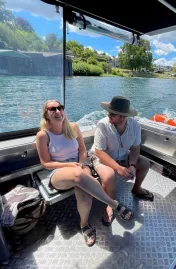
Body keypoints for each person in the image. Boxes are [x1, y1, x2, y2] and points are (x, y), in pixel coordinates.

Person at [36, 100, 134, 247]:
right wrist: (70, 165)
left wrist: (82, 163)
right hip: (59, 170)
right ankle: (114, 204)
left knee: (86, 198)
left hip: (81, 165)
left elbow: (83, 150)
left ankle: (84, 225)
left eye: (60, 107)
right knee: (77, 174)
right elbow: (46, 163)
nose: (58, 111)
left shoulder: (73, 127)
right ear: (46, 114)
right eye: (52, 109)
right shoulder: (43, 135)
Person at [89, 96, 153, 227]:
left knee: (145, 163)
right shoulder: (102, 125)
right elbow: (100, 152)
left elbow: (135, 149)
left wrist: (133, 165)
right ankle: (111, 205)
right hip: (101, 157)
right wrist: (118, 168)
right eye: (109, 112)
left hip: (123, 157)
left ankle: (136, 189)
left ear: (123, 117)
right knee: (109, 175)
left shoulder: (135, 126)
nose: (109, 115)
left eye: (113, 113)